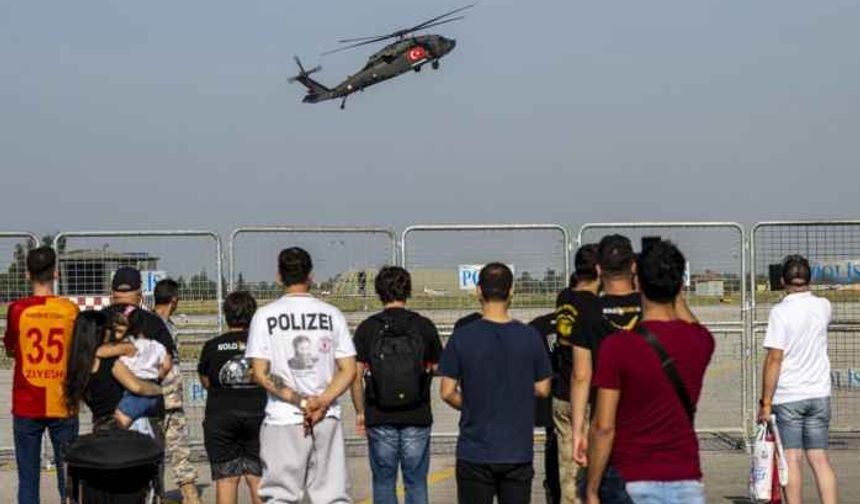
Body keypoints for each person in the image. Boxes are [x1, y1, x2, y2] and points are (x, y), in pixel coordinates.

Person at [584, 241, 713, 504]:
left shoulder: (618, 347)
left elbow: (603, 427)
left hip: (631, 477)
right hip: (685, 478)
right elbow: (693, 325)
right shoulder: (701, 342)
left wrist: (592, 488)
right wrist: (675, 291)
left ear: (638, 281)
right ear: (680, 285)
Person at [246, 247, 357, 503]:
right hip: (326, 416)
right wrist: (322, 401)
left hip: (284, 417)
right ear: (310, 276)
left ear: (279, 276)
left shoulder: (264, 316)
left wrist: (302, 402)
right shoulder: (332, 314)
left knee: (280, 494)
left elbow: (261, 373)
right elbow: (348, 369)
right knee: (333, 494)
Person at [439, 262, 553, 504]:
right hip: (517, 450)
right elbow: (543, 388)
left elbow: (447, 392)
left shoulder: (462, 337)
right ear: (512, 291)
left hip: (475, 450)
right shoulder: (529, 336)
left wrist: (471, 404)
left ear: (479, 291)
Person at [350, 266, 443, 504]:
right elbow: (438, 368)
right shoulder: (424, 326)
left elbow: (355, 376)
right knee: (416, 482)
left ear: (379, 292)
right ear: (408, 291)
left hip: (379, 415)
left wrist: (361, 412)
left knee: (383, 482)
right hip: (417, 414)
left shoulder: (367, 328)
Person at [758, 254, 837, 504]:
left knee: (791, 459)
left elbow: (774, 359)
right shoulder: (824, 306)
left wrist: (766, 402)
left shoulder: (780, 312)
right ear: (809, 278)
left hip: (789, 395)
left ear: (782, 280)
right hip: (819, 393)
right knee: (820, 459)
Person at [4, 246, 79, 504]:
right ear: (56, 273)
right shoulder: (69, 310)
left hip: (27, 402)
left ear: (27, 274)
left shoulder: (17, 310)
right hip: (63, 401)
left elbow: (12, 348)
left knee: (28, 481)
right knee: (69, 480)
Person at [571, 236, 641, 469]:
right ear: (633, 266)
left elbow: (581, 376)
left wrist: (578, 432)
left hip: (604, 421)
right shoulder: (652, 307)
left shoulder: (588, 312)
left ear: (599, 269)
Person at [198, 291, 267, 504]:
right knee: (258, 479)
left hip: (221, 417)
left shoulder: (212, 346)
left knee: (227, 480)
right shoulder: (264, 344)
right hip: (259, 415)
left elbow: (206, 381)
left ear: (226, 314)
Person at [549, 244, 601, 504]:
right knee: (591, 472)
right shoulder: (595, 307)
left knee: (568, 472)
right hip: (588, 396)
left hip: (562, 393)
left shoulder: (564, 298)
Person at [65, 311, 164, 433]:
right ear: (101, 331)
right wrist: (160, 390)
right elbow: (137, 387)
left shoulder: (78, 365)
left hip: (101, 425)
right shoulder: (109, 362)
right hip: (128, 425)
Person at [153, 278, 202, 504]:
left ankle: (160, 493)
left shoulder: (153, 323)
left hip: (157, 398)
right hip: (164, 397)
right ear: (174, 300)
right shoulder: (159, 325)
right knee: (178, 449)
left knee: (157, 450)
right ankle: (188, 493)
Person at [112, 312, 171, 431]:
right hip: (153, 388)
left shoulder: (130, 345)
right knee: (154, 427)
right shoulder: (157, 345)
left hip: (135, 391)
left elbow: (122, 363)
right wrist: (159, 374)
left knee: (118, 425)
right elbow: (166, 364)